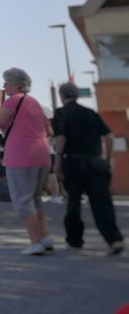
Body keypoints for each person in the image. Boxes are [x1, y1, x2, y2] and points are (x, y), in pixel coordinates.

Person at [52, 81, 123, 256]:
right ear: (76, 94)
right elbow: (109, 136)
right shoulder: (90, 113)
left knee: (74, 201)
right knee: (102, 202)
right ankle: (114, 239)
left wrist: (58, 161)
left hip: (74, 162)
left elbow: (60, 138)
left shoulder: (61, 113)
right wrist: (107, 158)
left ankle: (75, 239)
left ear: (62, 96)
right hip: (96, 161)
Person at [0, 67, 53, 256]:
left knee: (23, 200)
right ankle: (44, 237)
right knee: (35, 198)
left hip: (20, 156)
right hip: (41, 155)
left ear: (16, 84)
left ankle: (35, 243)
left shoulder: (12, 101)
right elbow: (49, 130)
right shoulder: (35, 103)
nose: (4, 86)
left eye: (6, 82)